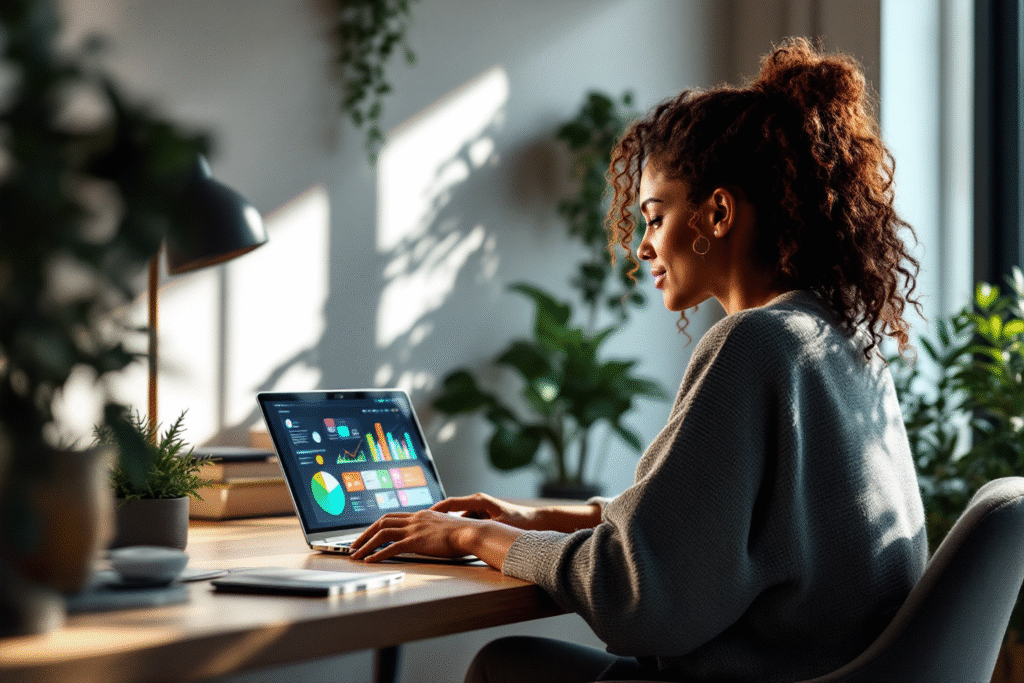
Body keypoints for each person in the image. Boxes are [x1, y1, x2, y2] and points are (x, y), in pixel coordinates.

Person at [351, 38, 928, 683]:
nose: (644, 247)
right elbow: (700, 527)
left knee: (504, 667)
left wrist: (470, 537)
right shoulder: (835, 337)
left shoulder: (755, 343)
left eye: (654, 218)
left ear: (717, 212)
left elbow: (633, 596)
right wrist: (537, 517)